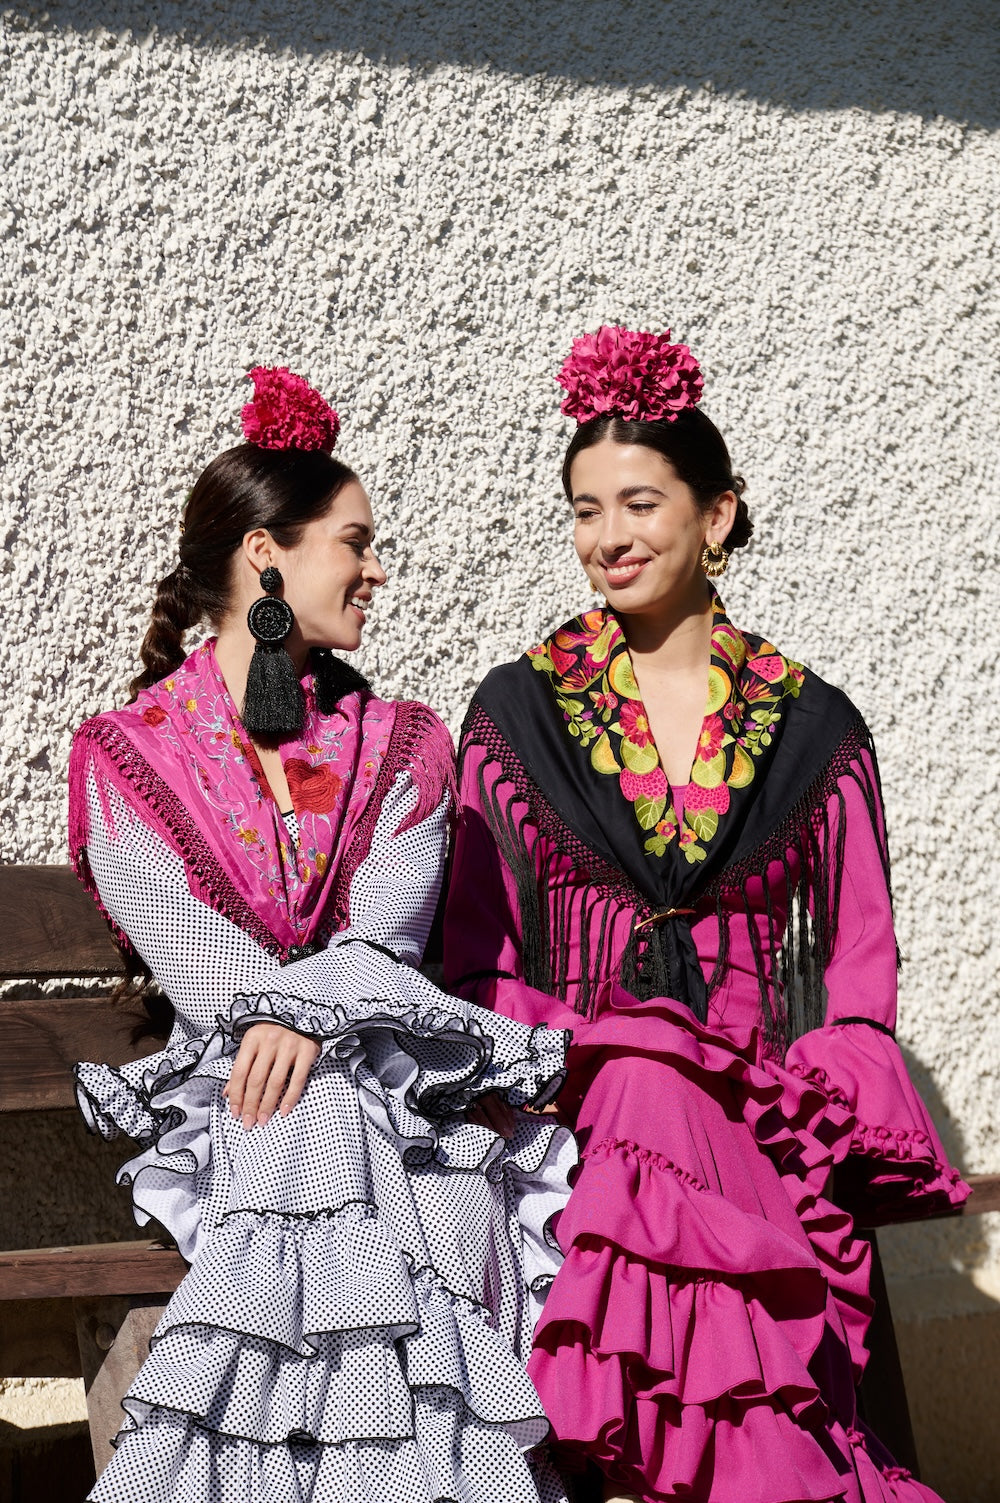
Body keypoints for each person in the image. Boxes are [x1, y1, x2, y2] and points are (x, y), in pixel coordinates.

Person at [444, 327, 968, 1503]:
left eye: (639, 504)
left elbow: (856, 971)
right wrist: (584, 1048)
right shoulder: (519, 713)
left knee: (675, 1088)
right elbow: (475, 954)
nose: (608, 538)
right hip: (578, 1096)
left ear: (716, 514)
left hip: (760, 1111)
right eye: (585, 511)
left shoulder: (814, 728)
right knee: (645, 1075)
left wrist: (813, 1098)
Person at [70, 366, 575, 1503]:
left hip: (383, 1071)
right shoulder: (127, 757)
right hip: (231, 1088)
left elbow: (388, 929)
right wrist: (285, 1020)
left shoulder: (404, 743)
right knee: (310, 1118)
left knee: (351, 1127)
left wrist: (303, 1017)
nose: (377, 569)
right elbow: (184, 944)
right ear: (266, 555)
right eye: (355, 541)